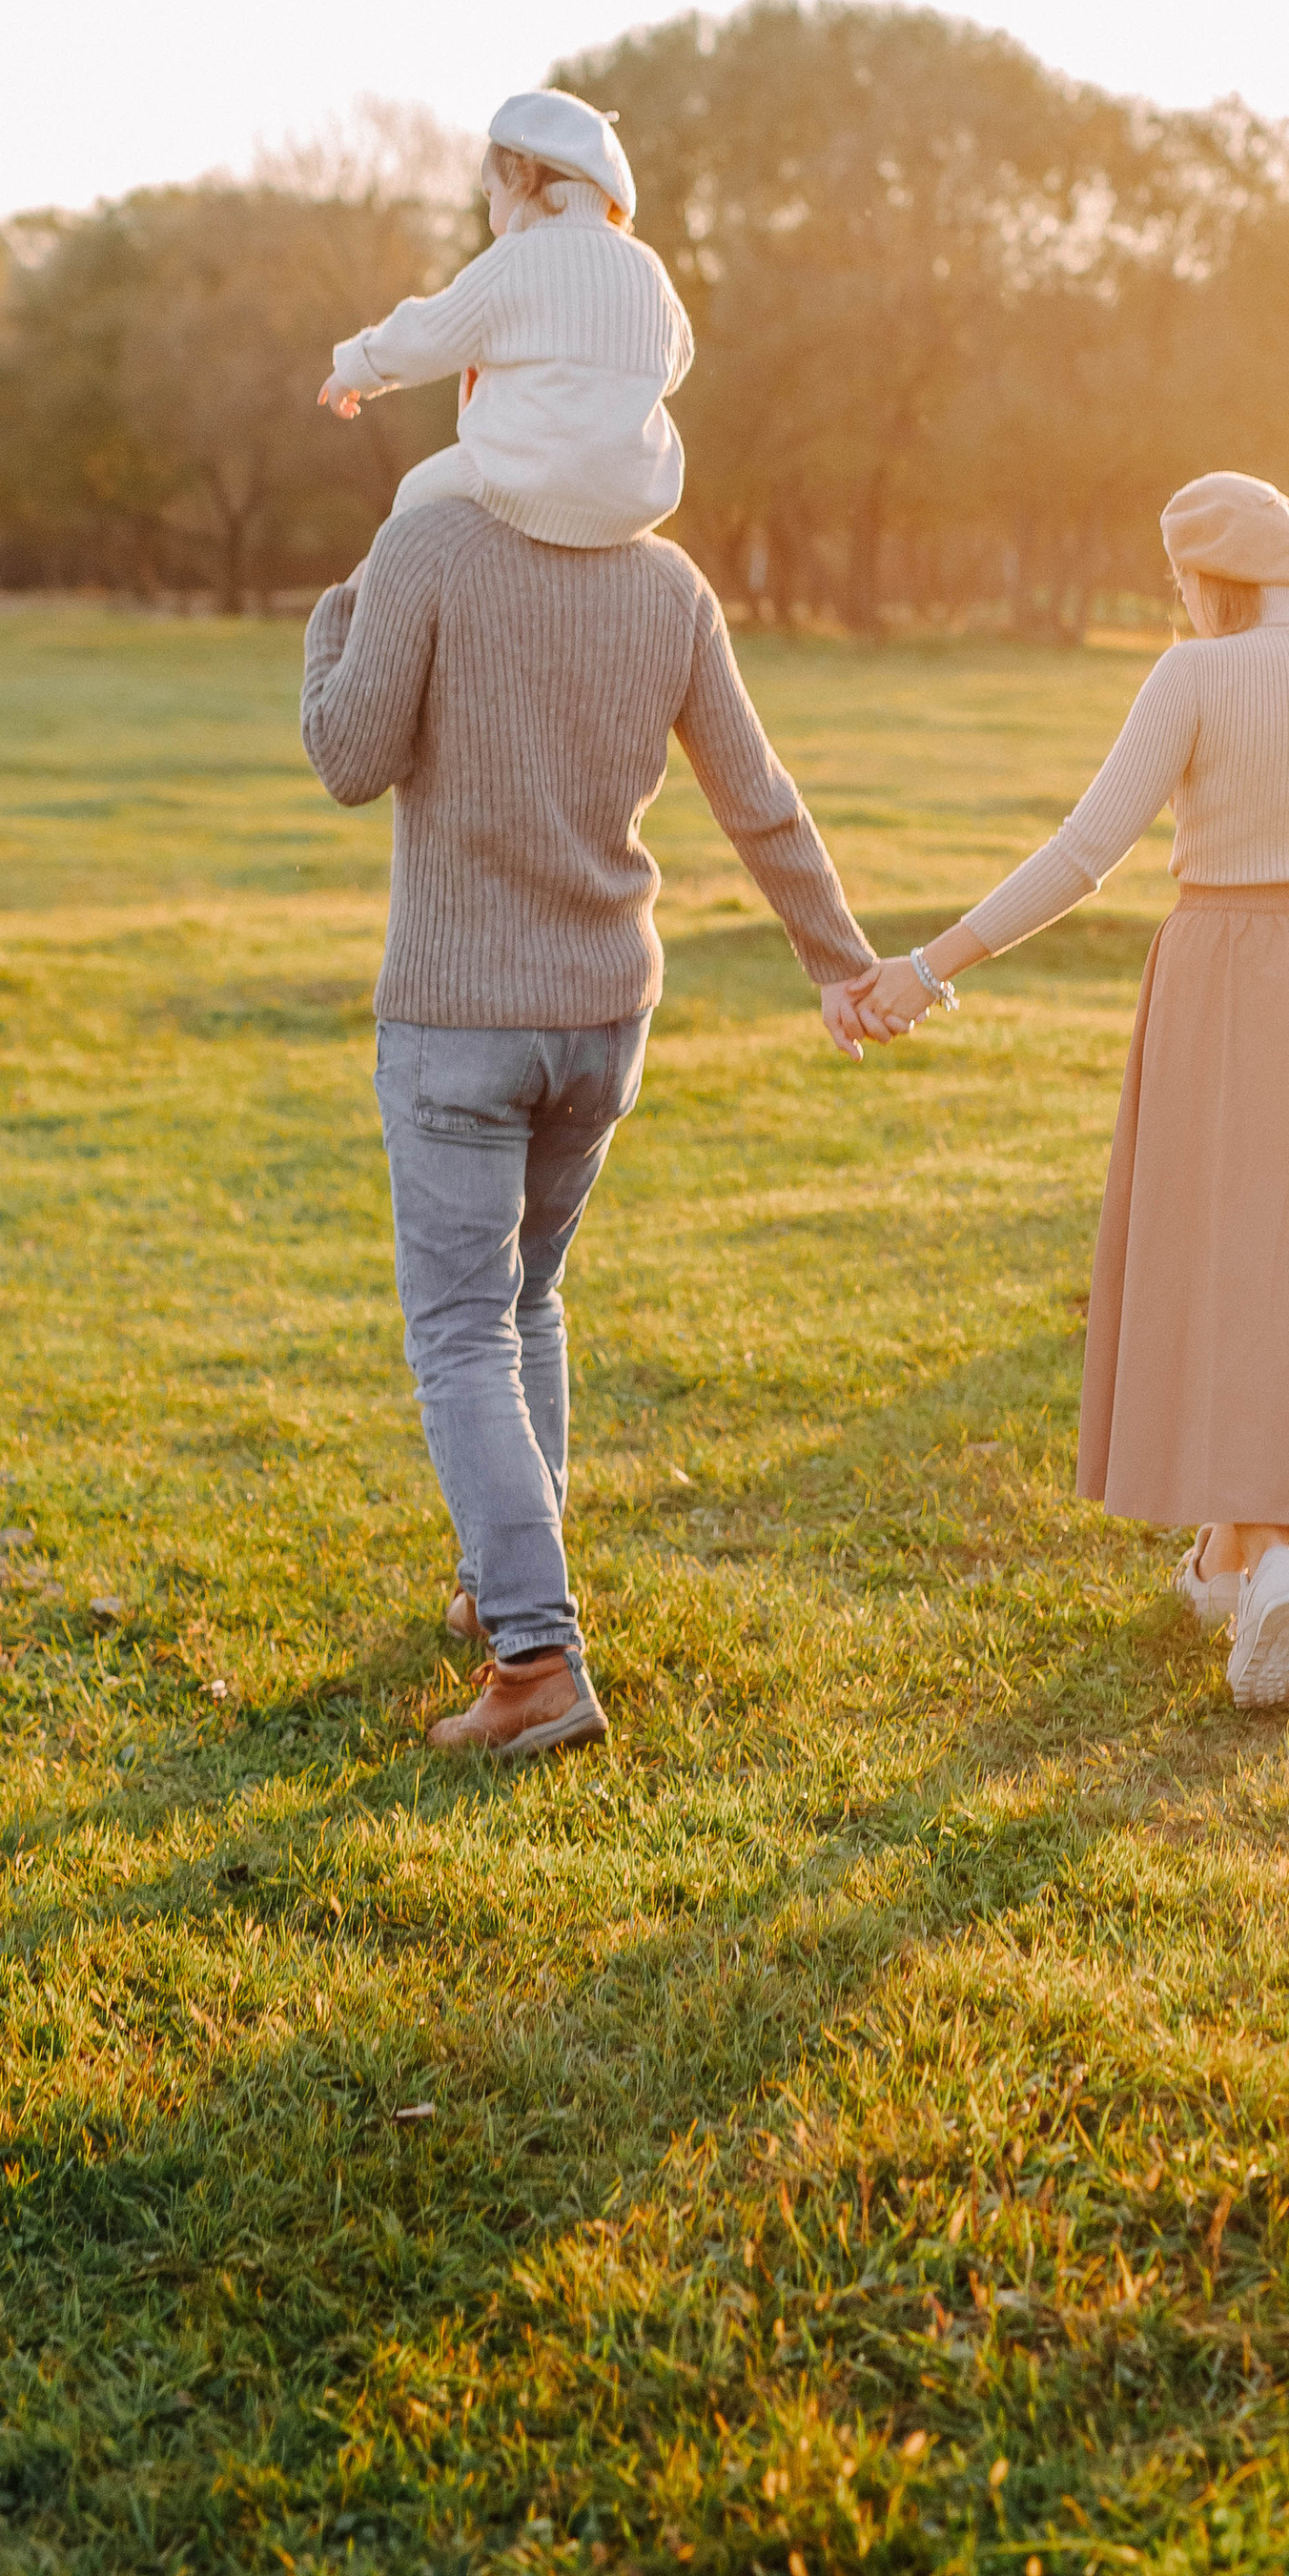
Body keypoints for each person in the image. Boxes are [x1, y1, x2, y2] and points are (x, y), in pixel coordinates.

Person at [834, 470, 1289, 1711]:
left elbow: (1084, 854)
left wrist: (926, 966)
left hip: (1225, 969)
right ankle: (1230, 1560)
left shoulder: (1196, 678)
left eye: (1183, 585)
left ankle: (1267, 1554)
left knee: (1241, 1264)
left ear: (1212, 578)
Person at [300, 489, 876, 1763]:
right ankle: (506, 1584)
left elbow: (348, 758)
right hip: (605, 1017)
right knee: (528, 1304)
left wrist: (339, 612)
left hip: (463, 1016)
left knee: (463, 1328)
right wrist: (838, 960)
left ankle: (535, 1658)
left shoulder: (430, 543)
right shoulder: (667, 581)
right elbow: (756, 792)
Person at [320, 89, 695, 547]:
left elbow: (429, 332)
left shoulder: (514, 259)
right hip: (631, 498)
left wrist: (354, 368)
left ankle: (372, 593)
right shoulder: (648, 267)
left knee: (412, 497)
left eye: (490, 194)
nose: (492, 213)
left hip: (526, 481)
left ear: (521, 177)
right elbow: (678, 360)